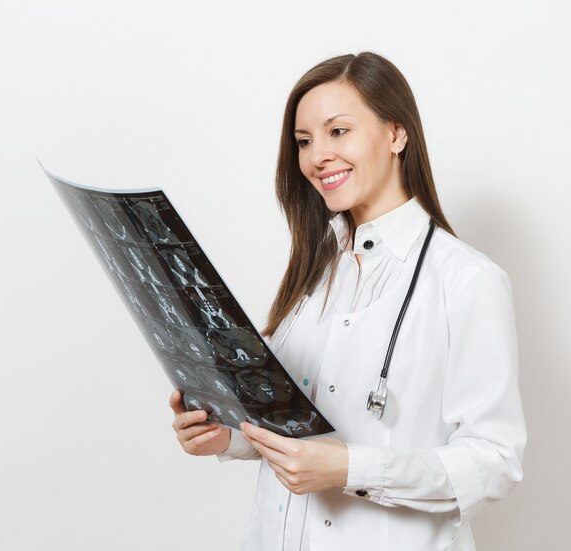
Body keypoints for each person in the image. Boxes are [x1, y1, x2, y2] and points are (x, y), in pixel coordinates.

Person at [169, 51, 526, 550]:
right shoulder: (313, 269)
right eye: (304, 141)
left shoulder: (467, 281)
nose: (318, 156)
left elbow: (495, 462)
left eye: (338, 131)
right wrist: (227, 435)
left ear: (397, 134)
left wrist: (352, 469)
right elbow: (291, 423)